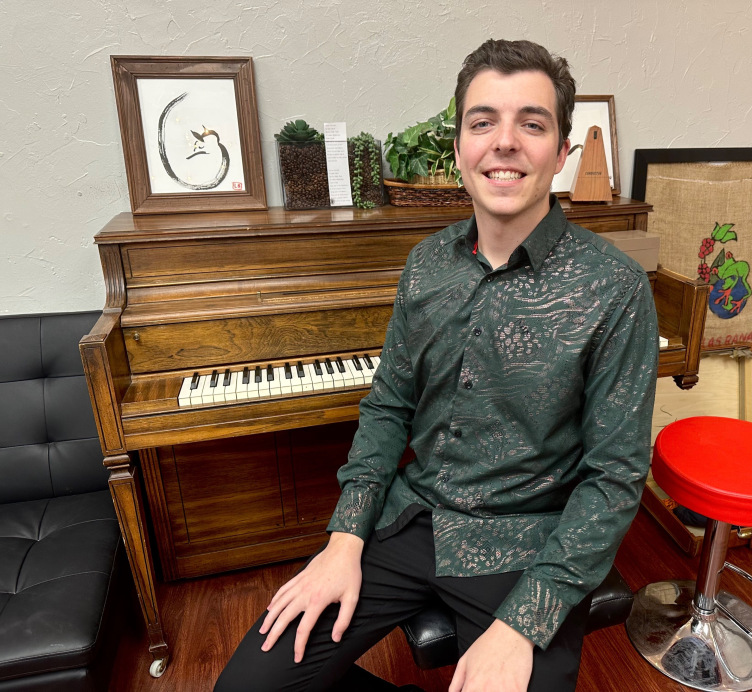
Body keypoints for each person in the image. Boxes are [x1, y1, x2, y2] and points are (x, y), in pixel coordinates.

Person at [215, 38, 658, 692]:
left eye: (531, 124)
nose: (504, 142)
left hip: (526, 543)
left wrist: (523, 622)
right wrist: (343, 540)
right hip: (412, 518)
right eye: (483, 122)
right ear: (458, 150)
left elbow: (614, 476)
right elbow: (388, 408)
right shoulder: (425, 264)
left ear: (561, 151)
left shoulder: (615, 288)